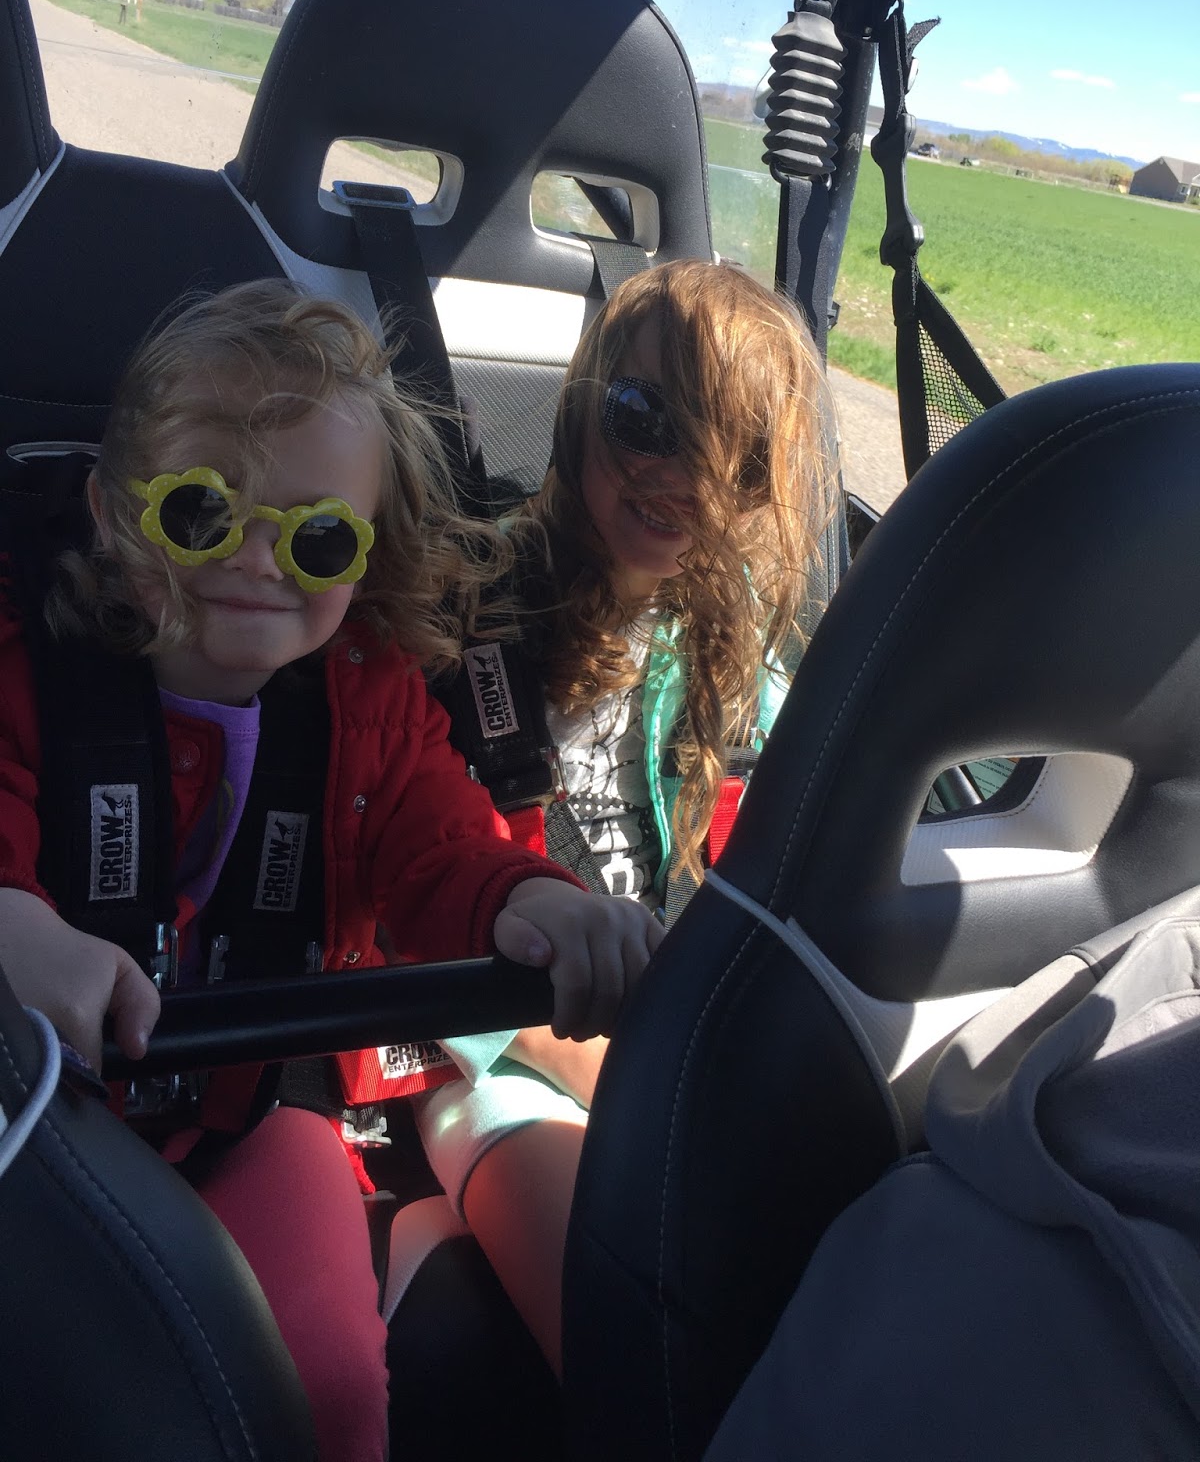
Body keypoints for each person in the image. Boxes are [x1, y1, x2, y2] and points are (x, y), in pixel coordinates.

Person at [0, 278, 664, 1462]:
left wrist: (531, 902)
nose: (258, 563)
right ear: (109, 510)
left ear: (364, 552)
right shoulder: (26, 665)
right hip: (38, 1107)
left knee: (327, 1388)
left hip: (256, 1100)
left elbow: (440, 843)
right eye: (201, 515)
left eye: (315, 539)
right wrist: (16, 926)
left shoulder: (364, 697)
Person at [416, 257, 834, 1375]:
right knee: (642, 1346)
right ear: (580, 406)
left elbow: (813, 826)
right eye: (645, 421)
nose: (681, 478)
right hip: (490, 1050)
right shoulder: (466, 617)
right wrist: (636, 1078)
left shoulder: (731, 653)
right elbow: (417, 877)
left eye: (741, 457)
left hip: (673, 1049)